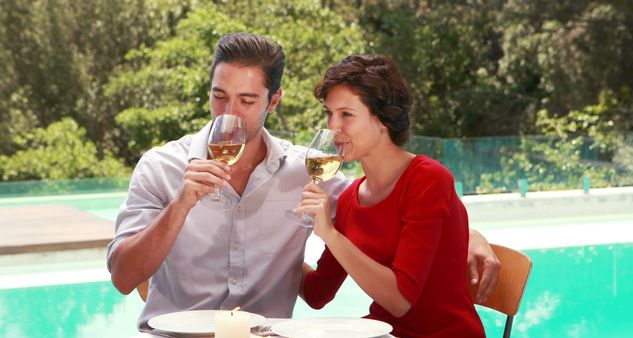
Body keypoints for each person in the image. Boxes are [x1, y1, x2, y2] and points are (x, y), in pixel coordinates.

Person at [106, 33, 499, 332]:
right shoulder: (162, 167)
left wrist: (468, 234)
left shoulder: (308, 172)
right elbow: (124, 279)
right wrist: (180, 206)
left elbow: (392, 209)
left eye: (246, 101)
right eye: (219, 96)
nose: (228, 114)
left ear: (273, 101)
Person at [297, 54, 485, 337]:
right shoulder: (350, 198)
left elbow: (400, 301)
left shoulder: (428, 180)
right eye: (328, 113)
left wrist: (331, 235)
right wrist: (272, 241)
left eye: (346, 114)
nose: (333, 127)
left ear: (383, 119)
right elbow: (316, 293)